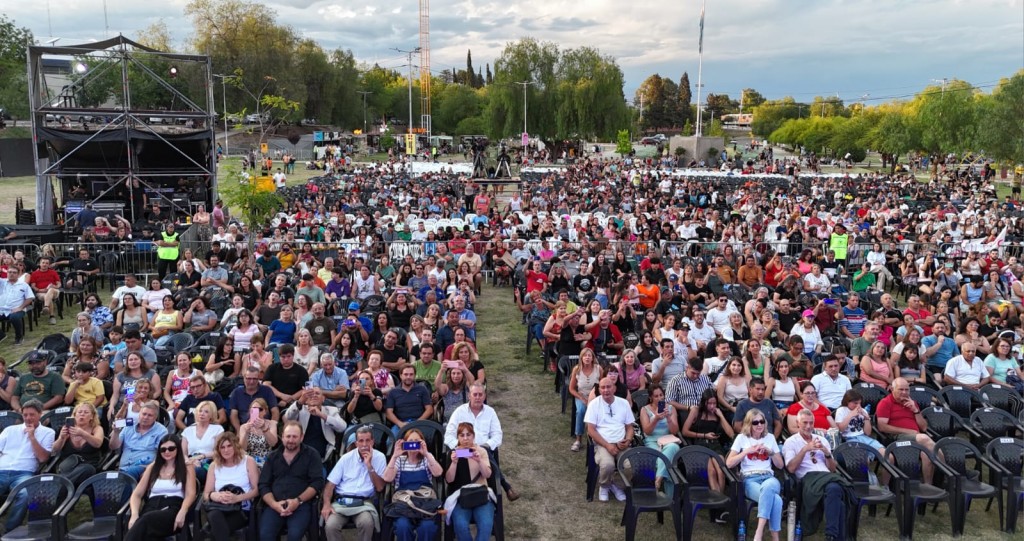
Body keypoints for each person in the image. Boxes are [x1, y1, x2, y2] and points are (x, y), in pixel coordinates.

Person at [783, 409, 854, 541]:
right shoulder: (791, 442)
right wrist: (804, 450)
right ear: (798, 423)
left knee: (834, 489)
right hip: (808, 479)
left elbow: (832, 469)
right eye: (805, 423)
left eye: (811, 423)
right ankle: (834, 536)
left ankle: (831, 535)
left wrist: (827, 453)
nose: (808, 426)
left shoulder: (821, 440)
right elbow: (791, 468)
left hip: (826, 477)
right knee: (838, 499)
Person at [442, 384, 518, 501]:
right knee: (484, 453)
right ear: (469, 396)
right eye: (475, 394)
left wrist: (485, 446)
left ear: (484, 396)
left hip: (483, 449)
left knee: (484, 451)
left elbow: (497, 435)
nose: (477, 397)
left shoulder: (490, 412)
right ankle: (505, 486)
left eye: (480, 394)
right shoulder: (459, 411)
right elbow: (448, 435)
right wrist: (460, 446)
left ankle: (495, 491)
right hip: (463, 449)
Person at [259, 422, 324, 541]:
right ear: (282, 436)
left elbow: (317, 483)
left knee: (294, 536)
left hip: (301, 505)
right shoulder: (272, 457)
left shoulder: (312, 455)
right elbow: (263, 485)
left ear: (301, 437)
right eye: (288, 436)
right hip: (275, 505)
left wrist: (297, 501)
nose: (291, 440)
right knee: (265, 535)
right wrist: (274, 504)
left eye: (295, 436)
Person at [726, 409, 785, 541]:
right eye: (755, 422)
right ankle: (775, 538)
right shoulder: (741, 438)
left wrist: (771, 452)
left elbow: (780, 465)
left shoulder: (770, 438)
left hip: (769, 477)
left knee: (768, 487)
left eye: (762, 421)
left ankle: (759, 532)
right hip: (750, 479)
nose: (759, 425)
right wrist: (746, 451)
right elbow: (729, 463)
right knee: (776, 500)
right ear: (749, 424)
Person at [321, 424, 387, 541]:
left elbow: (380, 488)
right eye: (361, 441)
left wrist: (369, 466)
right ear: (356, 443)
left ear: (373, 442)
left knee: (366, 523)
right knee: (331, 525)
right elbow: (330, 485)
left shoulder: (380, 457)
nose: (364, 444)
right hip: (341, 502)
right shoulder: (346, 458)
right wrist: (326, 504)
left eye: (367, 440)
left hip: (364, 503)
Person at [125, 435, 197, 541]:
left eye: (171, 448)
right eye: (163, 449)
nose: (167, 452)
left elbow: (191, 494)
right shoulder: (153, 467)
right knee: (144, 528)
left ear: (178, 449)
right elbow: (137, 494)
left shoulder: (186, 467)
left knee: (144, 522)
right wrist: (134, 514)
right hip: (151, 507)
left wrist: (183, 511)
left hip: (172, 508)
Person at [0, 400, 55, 532]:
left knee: (25, 494)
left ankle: (10, 529)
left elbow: (43, 458)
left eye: (32, 414)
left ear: (40, 414)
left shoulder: (48, 432)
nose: (28, 418)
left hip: (24, 473)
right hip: (2, 470)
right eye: (25, 415)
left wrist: (32, 437)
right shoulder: (10, 430)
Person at [381, 428, 445, 541]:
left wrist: (426, 453)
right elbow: (387, 478)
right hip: (404, 503)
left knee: (427, 527)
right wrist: (394, 456)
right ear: (405, 443)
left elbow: (438, 473)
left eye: (417, 441)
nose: (413, 444)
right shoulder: (399, 460)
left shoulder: (426, 458)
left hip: (424, 502)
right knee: (402, 526)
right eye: (410, 441)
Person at [876, 378, 936, 483]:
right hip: (896, 438)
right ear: (892, 389)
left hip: (916, 438)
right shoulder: (885, 403)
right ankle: (946, 467)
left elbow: (924, 427)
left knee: (926, 454)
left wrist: (915, 410)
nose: (904, 392)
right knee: (924, 438)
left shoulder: (912, 403)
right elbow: (882, 427)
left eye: (907, 390)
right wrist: (908, 431)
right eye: (901, 389)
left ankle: (929, 485)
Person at [584, 376, 634, 502]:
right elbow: (591, 430)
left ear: (614, 388)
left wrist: (628, 440)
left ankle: (617, 486)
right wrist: (607, 445)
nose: (606, 390)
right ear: (599, 390)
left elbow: (629, 427)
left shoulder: (624, 403)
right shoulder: (594, 404)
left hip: (621, 443)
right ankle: (604, 486)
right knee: (607, 465)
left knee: (630, 465)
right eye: (602, 387)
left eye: (608, 387)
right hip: (603, 443)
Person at [203, 432, 260, 541]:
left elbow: (257, 490)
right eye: (222, 447)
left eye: (229, 446)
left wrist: (237, 498)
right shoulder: (214, 466)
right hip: (219, 506)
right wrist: (214, 495)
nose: (226, 450)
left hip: (241, 509)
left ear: (235, 446)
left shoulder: (248, 461)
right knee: (215, 516)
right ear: (218, 450)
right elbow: (206, 494)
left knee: (214, 529)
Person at [443, 422, 495, 541]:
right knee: (460, 524)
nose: (465, 438)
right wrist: (454, 463)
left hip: (480, 493)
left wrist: (479, 461)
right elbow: (449, 480)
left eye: (468, 435)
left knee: (486, 524)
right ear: (458, 437)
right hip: (460, 497)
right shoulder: (452, 453)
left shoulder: (481, 451)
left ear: (473, 436)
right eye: (462, 435)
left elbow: (487, 474)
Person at [283, 386, 347, 462]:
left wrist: (321, 415)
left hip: (321, 458)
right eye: (311, 394)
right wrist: (300, 401)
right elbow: (288, 417)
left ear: (323, 399)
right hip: (300, 456)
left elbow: (342, 427)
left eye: (317, 393)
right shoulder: (300, 409)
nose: (314, 396)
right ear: (306, 400)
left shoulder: (331, 410)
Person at [111, 400, 170, 480]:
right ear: (139, 414)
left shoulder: (161, 431)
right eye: (144, 414)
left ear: (155, 417)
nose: (145, 417)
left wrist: (150, 468)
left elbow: (161, 454)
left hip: (145, 467)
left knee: (130, 473)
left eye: (150, 415)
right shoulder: (128, 425)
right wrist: (116, 432)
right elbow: (113, 446)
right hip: (123, 468)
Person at [51, 402, 105, 486]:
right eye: (79, 412)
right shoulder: (66, 428)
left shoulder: (97, 428)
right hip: (69, 466)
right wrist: (61, 438)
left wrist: (83, 434)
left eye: (86, 412)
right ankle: (64, 486)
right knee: (73, 473)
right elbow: (55, 449)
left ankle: (60, 485)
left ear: (92, 416)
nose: (82, 414)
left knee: (87, 469)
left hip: (88, 464)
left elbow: (98, 443)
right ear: (74, 415)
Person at [639, 386, 681, 491]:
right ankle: (669, 496)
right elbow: (647, 431)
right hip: (652, 441)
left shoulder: (671, 408)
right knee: (667, 462)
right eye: (656, 396)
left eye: (661, 395)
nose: (660, 398)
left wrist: (668, 418)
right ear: (651, 398)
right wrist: (656, 419)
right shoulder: (645, 410)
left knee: (673, 447)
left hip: (668, 440)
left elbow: (675, 431)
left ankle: (658, 479)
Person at [181, 401, 225, 483]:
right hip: (190, 461)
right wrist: (188, 462)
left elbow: (219, 451)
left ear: (211, 415)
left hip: (209, 462)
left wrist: (201, 456)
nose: (202, 414)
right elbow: (183, 453)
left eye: (206, 412)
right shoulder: (187, 430)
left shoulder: (218, 429)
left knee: (197, 471)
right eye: (200, 411)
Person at [568, 347, 603, 452]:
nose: (587, 358)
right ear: (581, 358)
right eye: (585, 355)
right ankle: (578, 439)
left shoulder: (598, 369)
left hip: (596, 397)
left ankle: (598, 438)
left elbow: (603, 384)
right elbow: (571, 389)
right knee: (581, 410)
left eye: (589, 356)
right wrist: (581, 398)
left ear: (593, 358)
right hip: (582, 396)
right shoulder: (577, 369)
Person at [229, 366, 280, 431]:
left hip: (264, 428)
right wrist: (239, 431)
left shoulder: (267, 391)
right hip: (245, 428)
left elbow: (275, 411)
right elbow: (233, 415)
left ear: (258, 378)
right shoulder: (236, 392)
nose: (251, 382)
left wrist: (270, 429)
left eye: (254, 379)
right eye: (248, 379)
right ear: (244, 378)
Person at [238, 398, 279, 466]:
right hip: (250, 461)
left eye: (260, 409)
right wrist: (246, 433)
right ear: (250, 411)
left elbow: (273, 443)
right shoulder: (243, 427)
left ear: (265, 411)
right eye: (253, 409)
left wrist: (264, 429)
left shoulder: (272, 424)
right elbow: (243, 448)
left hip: (267, 460)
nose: (257, 412)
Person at [0, 266, 34, 345]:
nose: (11, 274)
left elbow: (30, 298)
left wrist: (20, 307)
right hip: (2, 309)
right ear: (7, 273)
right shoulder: (2, 282)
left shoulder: (24, 285)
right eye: (9, 272)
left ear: (18, 274)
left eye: (14, 272)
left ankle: (19, 337)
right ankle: (1, 335)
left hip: (17, 309)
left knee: (14, 317)